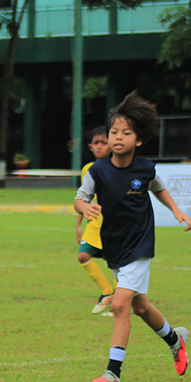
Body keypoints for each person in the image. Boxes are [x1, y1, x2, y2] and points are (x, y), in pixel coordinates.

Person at [74, 91, 191, 382]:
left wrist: (177, 211)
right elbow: (80, 197)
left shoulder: (145, 168)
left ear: (138, 140)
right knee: (140, 307)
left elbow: (159, 189)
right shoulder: (97, 171)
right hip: (114, 246)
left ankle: (112, 373)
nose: (117, 137)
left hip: (140, 246)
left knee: (120, 305)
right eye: (113, 132)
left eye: (125, 133)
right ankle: (173, 339)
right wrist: (85, 208)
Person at [74, 126, 116, 314]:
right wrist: (78, 225)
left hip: (114, 223)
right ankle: (107, 293)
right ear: (90, 147)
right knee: (83, 255)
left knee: (117, 263)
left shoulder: (118, 167)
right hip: (95, 222)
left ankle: (118, 300)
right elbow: (84, 198)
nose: (100, 147)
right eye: (96, 143)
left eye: (103, 143)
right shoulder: (87, 170)